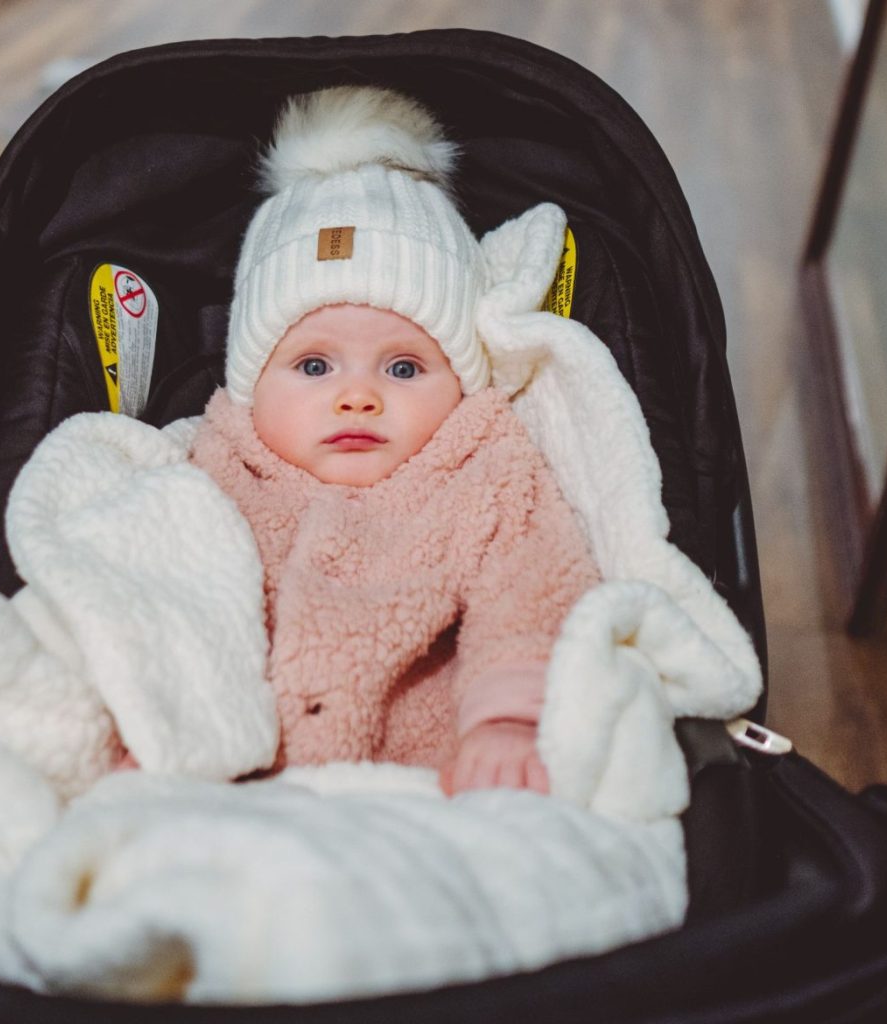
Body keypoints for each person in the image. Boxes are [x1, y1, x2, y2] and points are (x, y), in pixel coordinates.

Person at [188, 85, 600, 795]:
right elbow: (164, 596)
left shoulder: (483, 469)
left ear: (462, 379)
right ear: (251, 383)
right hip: (233, 765)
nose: (357, 395)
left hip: (428, 773)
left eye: (404, 367)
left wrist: (506, 723)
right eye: (314, 366)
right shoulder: (214, 469)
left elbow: (532, 591)